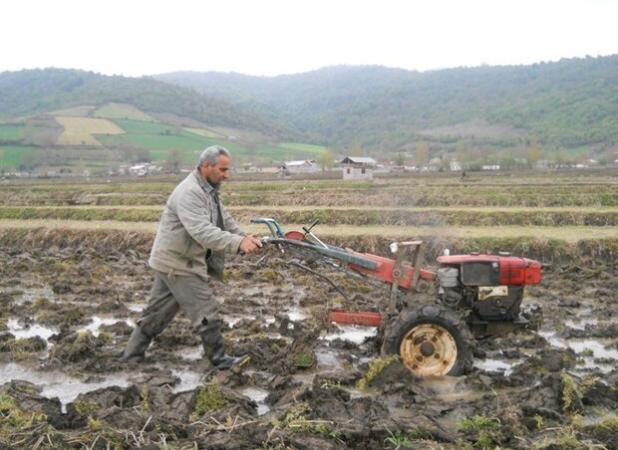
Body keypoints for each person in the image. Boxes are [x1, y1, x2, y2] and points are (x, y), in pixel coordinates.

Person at [122, 145, 262, 369]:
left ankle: (131, 356)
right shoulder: (190, 192)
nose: (227, 175)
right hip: (179, 264)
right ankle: (219, 361)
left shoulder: (207, 190)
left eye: (228, 170)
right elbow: (202, 231)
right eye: (223, 170)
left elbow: (223, 220)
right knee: (206, 310)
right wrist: (238, 244)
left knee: (157, 313)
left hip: (171, 260)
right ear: (207, 166)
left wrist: (244, 237)